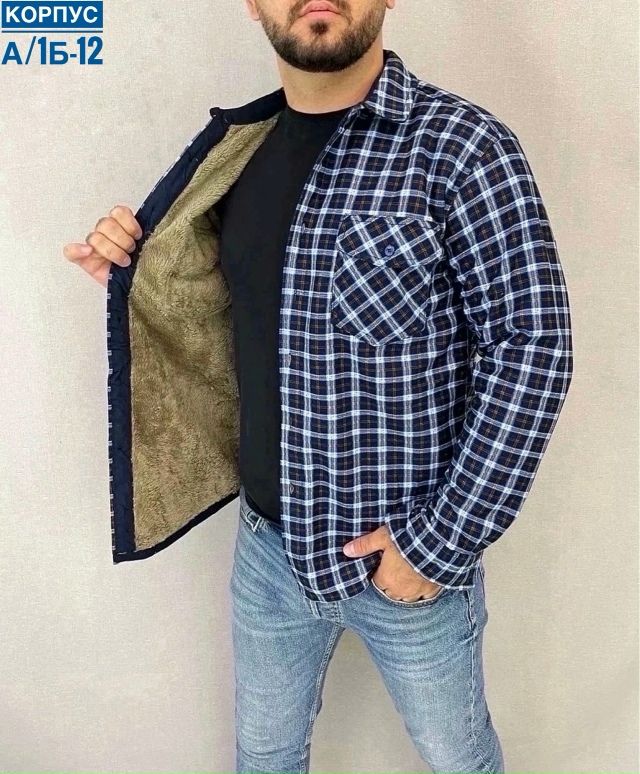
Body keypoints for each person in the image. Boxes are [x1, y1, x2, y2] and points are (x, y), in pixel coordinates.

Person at [63, 1, 574, 772]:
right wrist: (138, 272)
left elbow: (533, 348)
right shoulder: (236, 153)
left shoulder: (464, 148)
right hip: (266, 552)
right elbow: (231, 309)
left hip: (407, 560)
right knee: (265, 758)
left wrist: (437, 545)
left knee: (460, 760)